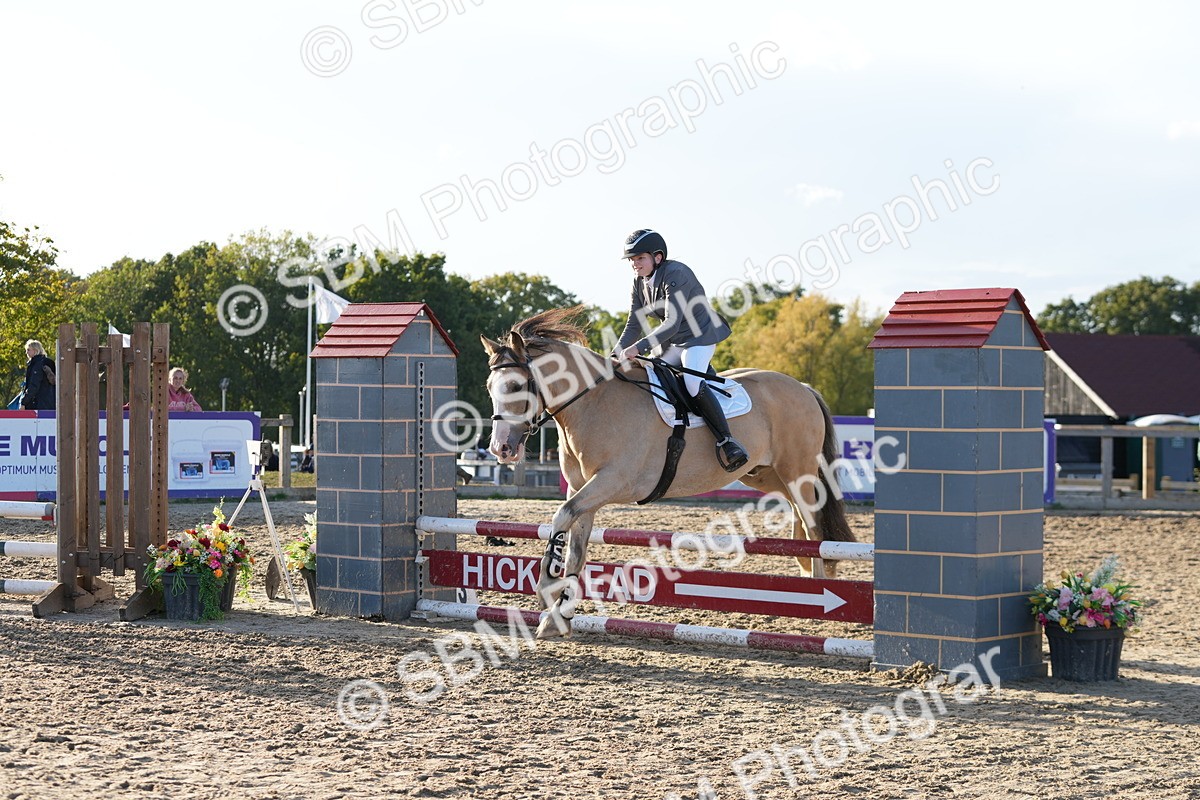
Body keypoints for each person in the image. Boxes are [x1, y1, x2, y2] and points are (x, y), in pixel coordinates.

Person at [613, 229, 748, 472]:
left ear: (658, 257)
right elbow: (634, 322)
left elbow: (671, 322)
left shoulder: (676, 273)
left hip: (699, 335)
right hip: (673, 341)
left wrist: (639, 347)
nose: (635, 264)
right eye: (632, 260)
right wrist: (614, 354)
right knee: (655, 376)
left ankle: (728, 442)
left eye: (639, 258)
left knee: (692, 383)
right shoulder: (639, 282)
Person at [21, 340, 55, 411]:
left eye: (28, 350)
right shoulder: (48, 362)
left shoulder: (37, 365)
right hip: (50, 403)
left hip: (38, 404)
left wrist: (24, 402)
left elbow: (34, 385)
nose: (26, 352)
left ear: (35, 350)